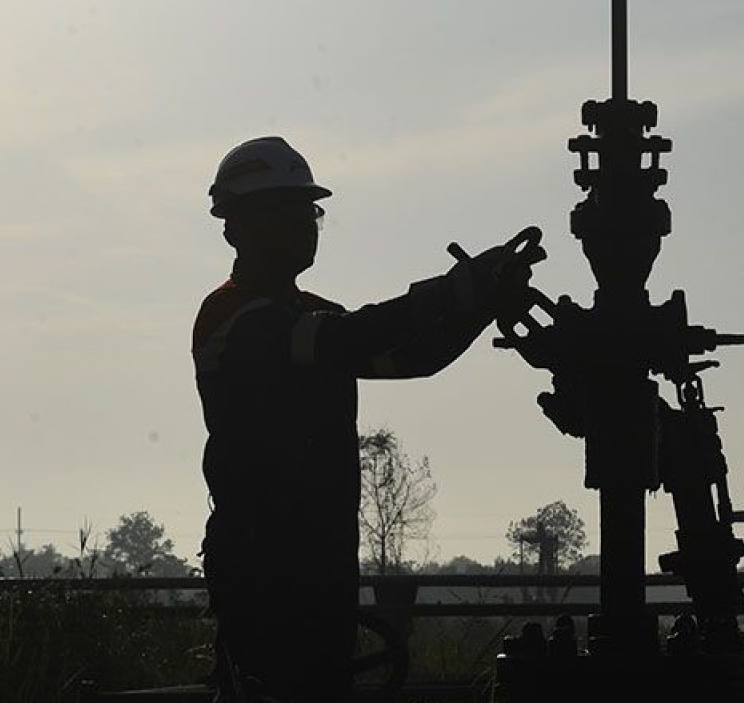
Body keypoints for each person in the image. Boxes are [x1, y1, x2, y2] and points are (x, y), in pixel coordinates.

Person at [192, 136, 536, 702]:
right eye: (285, 213)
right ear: (235, 229)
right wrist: (454, 291)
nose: (304, 226)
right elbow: (351, 337)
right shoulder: (233, 317)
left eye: (309, 212)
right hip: (262, 563)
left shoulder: (311, 316)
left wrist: (482, 305)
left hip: (323, 559)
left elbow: (412, 356)